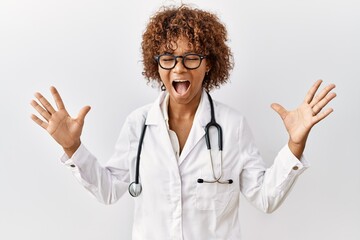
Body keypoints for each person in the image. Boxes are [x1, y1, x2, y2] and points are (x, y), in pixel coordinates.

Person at [30, 5, 336, 240]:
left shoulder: (233, 126)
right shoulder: (138, 124)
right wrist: (73, 147)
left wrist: (295, 144)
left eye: (191, 57)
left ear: (210, 64)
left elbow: (265, 197)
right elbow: (109, 190)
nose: (179, 67)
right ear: (157, 65)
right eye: (169, 57)